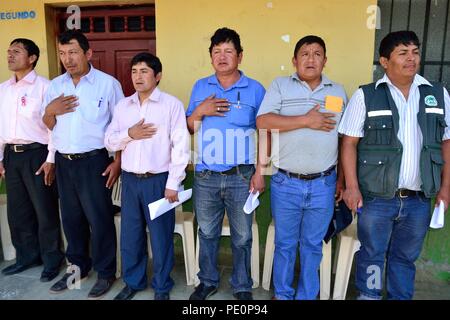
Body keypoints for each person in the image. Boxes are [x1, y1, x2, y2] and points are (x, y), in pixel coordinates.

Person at [339, 30, 450, 300]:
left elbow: (447, 142)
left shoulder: (437, 94)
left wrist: (445, 189)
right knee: (373, 255)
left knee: (405, 258)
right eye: (403, 53)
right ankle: (370, 295)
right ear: (385, 61)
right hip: (377, 198)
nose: (411, 59)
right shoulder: (366, 95)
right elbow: (349, 144)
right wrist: (351, 187)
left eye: (415, 52)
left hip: (418, 199)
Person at [256, 35, 347, 300]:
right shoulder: (280, 86)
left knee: (312, 245)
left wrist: (341, 180)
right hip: (286, 182)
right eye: (304, 54)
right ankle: (283, 295)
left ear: (325, 60)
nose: (310, 59)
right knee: (284, 244)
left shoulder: (337, 91)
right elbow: (263, 121)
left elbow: (344, 139)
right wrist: (306, 120)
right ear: (294, 61)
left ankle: (307, 295)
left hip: (324, 183)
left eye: (317, 53)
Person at [41, 29, 124, 299]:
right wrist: (50, 111)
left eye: (73, 52)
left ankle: (105, 272)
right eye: (63, 54)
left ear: (88, 53)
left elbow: (120, 126)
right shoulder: (55, 86)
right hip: (65, 163)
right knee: (72, 219)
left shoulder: (107, 84)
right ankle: (77, 268)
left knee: (99, 220)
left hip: (95, 161)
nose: (68, 59)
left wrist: (118, 162)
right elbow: (48, 127)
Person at [186, 27, 266, 300]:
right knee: (207, 232)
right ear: (210, 57)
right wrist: (200, 111)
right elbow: (188, 127)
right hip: (206, 176)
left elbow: (266, 132)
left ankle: (242, 285)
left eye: (228, 51)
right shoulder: (200, 86)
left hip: (242, 177)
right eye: (216, 52)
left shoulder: (255, 89)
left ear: (240, 56)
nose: (222, 57)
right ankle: (207, 280)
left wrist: (260, 171)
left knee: (242, 236)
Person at [105, 52, 190, 300]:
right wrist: (129, 134)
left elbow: (181, 147)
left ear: (158, 76)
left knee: (161, 236)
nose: (138, 76)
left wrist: (173, 184)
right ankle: (133, 281)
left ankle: (162, 285)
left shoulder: (171, 105)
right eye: (134, 71)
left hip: (159, 181)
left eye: (144, 71)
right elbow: (109, 140)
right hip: (130, 180)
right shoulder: (123, 107)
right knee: (131, 234)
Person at [0, 38, 64, 282]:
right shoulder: (3, 89)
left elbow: (53, 128)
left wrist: (51, 158)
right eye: (8, 51)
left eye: (16, 51)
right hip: (11, 157)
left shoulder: (46, 87)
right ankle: (27, 257)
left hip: (38, 154)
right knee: (18, 212)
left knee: (44, 210)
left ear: (32, 58)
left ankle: (51, 260)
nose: (10, 55)